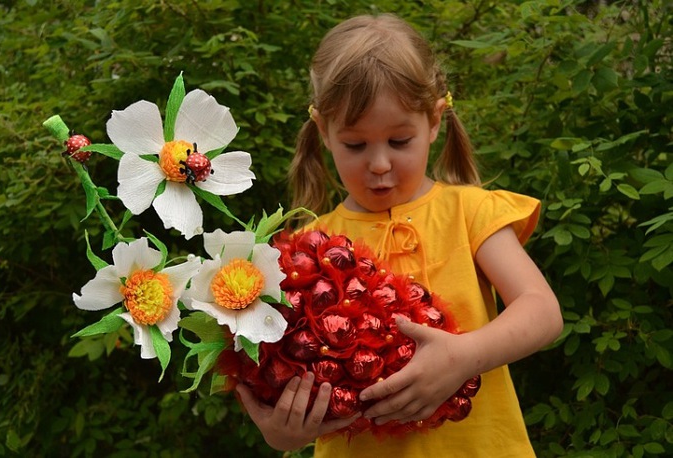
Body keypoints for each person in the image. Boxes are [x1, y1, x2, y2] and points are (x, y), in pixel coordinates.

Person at [235, 13, 563, 457]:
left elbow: (542, 311)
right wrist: (283, 432)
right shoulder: (305, 251)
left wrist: (464, 357)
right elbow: (272, 376)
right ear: (324, 134)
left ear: (434, 121)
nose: (380, 164)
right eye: (355, 145)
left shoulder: (469, 212)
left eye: (400, 140)